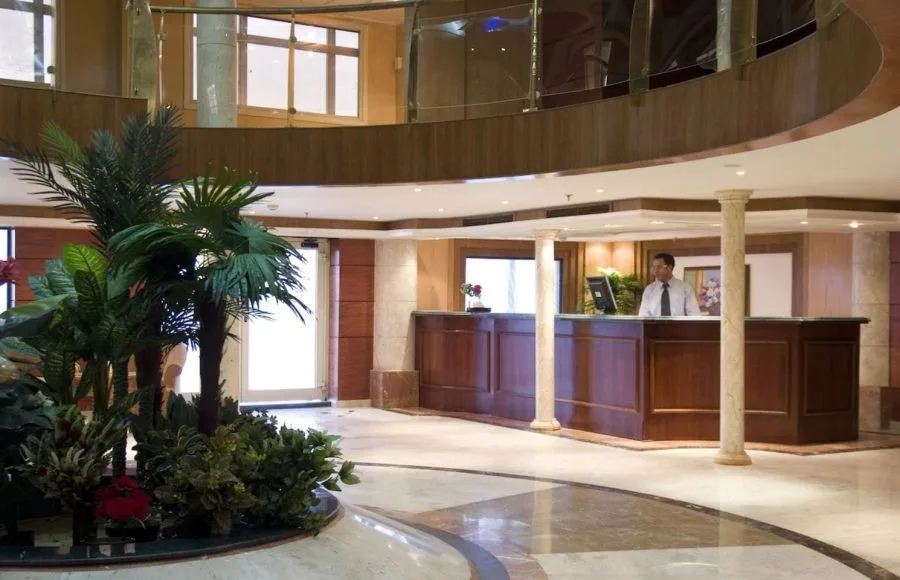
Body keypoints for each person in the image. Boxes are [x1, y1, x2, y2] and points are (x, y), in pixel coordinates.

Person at [638, 252, 702, 317]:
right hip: (655, 327)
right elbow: (643, 315)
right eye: (654, 267)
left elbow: (694, 314)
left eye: (658, 267)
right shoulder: (649, 290)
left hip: (679, 327)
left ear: (669, 267)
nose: (655, 271)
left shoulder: (685, 288)